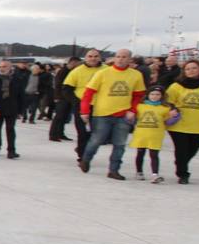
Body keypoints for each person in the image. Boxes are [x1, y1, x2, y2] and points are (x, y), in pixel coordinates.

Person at [78, 48, 145, 180]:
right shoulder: (103, 73)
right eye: (118, 56)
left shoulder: (136, 75)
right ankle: (86, 159)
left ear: (130, 59)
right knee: (96, 140)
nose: (120, 59)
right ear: (114, 58)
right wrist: (84, 111)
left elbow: (139, 96)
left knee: (119, 144)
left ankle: (114, 170)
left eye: (124, 57)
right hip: (102, 114)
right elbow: (88, 93)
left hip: (123, 115)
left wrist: (133, 110)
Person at [165, 59, 199, 184]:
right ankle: (183, 174)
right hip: (179, 124)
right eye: (187, 69)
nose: (191, 71)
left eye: (194, 68)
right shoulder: (176, 86)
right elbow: (167, 101)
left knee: (193, 148)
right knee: (181, 149)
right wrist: (172, 109)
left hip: (198, 123)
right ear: (184, 71)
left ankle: (180, 162)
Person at [61, 50, 105, 160]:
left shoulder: (106, 70)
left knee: (99, 133)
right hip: (82, 106)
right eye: (90, 56)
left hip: (100, 106)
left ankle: (84, 149)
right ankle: (82, 156)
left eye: (96, 56)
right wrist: (76, 102)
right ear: (85, 58)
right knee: (82, 132)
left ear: (100, 57)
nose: (93, 58)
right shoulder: (77, 71)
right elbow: (66, 89)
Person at [128, 86, 175, 183]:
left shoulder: (165, 108)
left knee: (154, 155)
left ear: (162, 96)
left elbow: (168, 122)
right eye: (152, 94)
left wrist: (173, 116)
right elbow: (132, 119)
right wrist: (130, 117)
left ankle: (155, 174)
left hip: (156, 135)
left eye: (158, 95)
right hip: (141, 134)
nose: (155, 96)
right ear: (147, 95)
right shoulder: (140, 106)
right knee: (140, 153)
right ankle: (139, 172)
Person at [0, 60, 24, 159]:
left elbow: (21, 96)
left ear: (10, 67)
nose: (2, 69)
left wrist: (20, 111)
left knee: (10, 129)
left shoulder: (17, 79)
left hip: (12, 108)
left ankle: (11, 151)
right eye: (0, 67)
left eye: (4, 66)